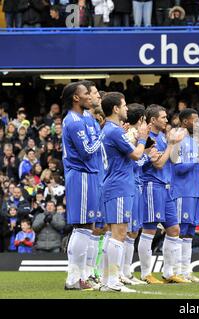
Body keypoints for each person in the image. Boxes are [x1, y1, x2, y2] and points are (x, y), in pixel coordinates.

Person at [99, 92, 150, 292]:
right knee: (119, 234)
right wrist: (143, 138)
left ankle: (107, 280)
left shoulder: (109, 129)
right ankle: (112, 281)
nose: (127, 108)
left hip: (114, 183)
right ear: (115, 109)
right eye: (124, 105)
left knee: (113, 234)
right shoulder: (114, 131)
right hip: (119, 185)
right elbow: (137, 155)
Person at [61, 82, 104, 291]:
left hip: (91, 174)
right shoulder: (73, 121)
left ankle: (82, 277)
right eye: (86, 93)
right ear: (76, 98)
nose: (90, 96)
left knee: (90, 227)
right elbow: (87, 149)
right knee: (82, 226)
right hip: (80, 175)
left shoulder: (87, 117)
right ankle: (72, 279)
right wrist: (103, 134)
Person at [139, 104, 188, 284]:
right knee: (149, 230)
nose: (166, 120)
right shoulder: (147, 140)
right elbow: (158, 164)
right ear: (152, 120)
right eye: (163, 117)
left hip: (166, 186)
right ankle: (146, 273)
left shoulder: (161, 137)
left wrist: (175, 144)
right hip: (152, 185)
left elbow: (171, 160)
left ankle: (168, 273)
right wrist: (171, 144)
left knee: (174, 229)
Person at [172, 108, 199, 282]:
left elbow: (194, 168)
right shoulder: (177, 140)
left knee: (190, 232)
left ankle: (186, 272)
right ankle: (175, 271)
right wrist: (195, 162)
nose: (198, 124)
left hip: (195, 191)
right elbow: (177, 168)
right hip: (182, 191)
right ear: (185, 121)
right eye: (195, 120)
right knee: (180, 230)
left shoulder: (193, 141)